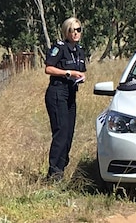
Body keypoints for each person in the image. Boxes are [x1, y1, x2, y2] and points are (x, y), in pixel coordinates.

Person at [43, 17, 87, 181]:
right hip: (57, 92)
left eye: (78, 30)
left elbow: (82, 69)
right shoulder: (60, 48)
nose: (75, 33)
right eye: (72, 30)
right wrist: (67, 73)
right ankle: (53, 173)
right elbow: (48, 68)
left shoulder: (79, 50)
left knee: (69, 134)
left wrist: (81, 76)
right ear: (66, 32)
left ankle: (61, 169)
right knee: (61, 132)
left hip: (71, 93)